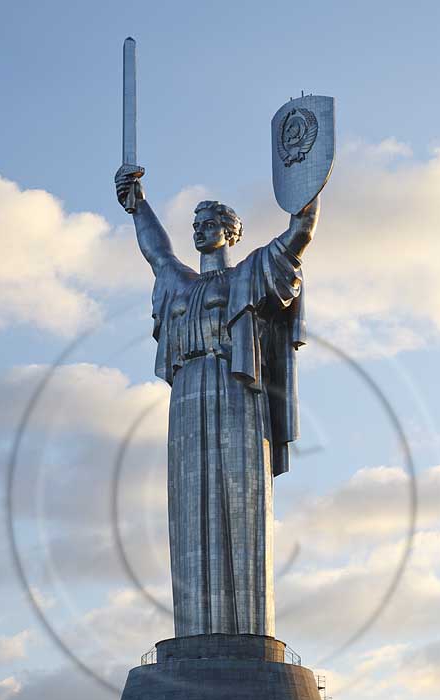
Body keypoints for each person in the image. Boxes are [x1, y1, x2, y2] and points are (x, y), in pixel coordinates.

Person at [115, 164, 319, 638]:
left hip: (235, 386)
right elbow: (154, 250)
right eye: (195, 225)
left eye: (209, 224)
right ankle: (196, 633)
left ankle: (247, 632)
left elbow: (300, 233)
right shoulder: (178, 283)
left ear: (230, 233)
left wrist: (308, 183)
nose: (200, 231)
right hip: (188, 393)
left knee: (239, 499)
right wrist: (136, 203)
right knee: (190, 508)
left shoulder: (249, 275)